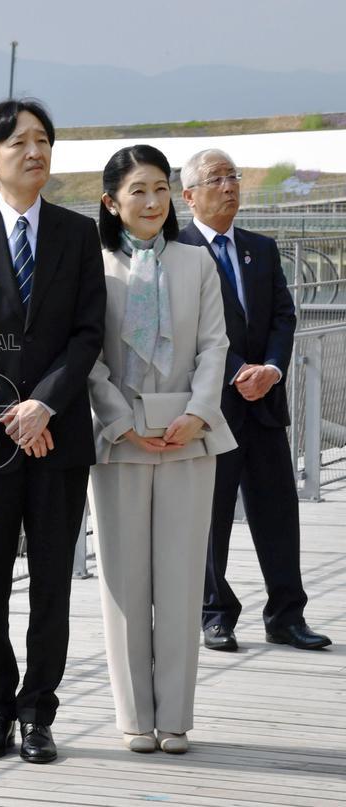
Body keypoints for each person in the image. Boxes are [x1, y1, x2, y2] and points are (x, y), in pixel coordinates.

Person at [0, 98, 105, 763]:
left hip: (59, 436)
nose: (35, 152)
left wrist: (45, 405)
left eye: (43, 141)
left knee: (53, 582)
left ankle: (40, 712)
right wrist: (11, 408)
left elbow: (89, 331)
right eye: (19, 143)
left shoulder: (76, 231)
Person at [88, 144, 237, 754]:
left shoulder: (194, 261)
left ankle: (174, 717)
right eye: (137, 191)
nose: (151, 203)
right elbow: (88, 356)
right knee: (123, 582)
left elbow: (214, 345)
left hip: (187, 439)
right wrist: (120, 421)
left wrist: (197, 413)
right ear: (111, 202)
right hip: (120, 440)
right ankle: (133, 716)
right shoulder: (93, 267)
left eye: (159, 189)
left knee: (179, 581)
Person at [177, 149, 332, 652]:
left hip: (263, 403)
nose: (229, 187)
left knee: (278, 513)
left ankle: (287, 616)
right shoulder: (174, 251)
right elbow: (183, 332)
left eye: (233, 177)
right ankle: (216, 613)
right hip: (211, 406)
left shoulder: (260, 249)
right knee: (211, 515)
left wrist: (271, 368)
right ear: (189, 195)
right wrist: (235, 371)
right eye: (216, 179)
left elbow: (284, 317)